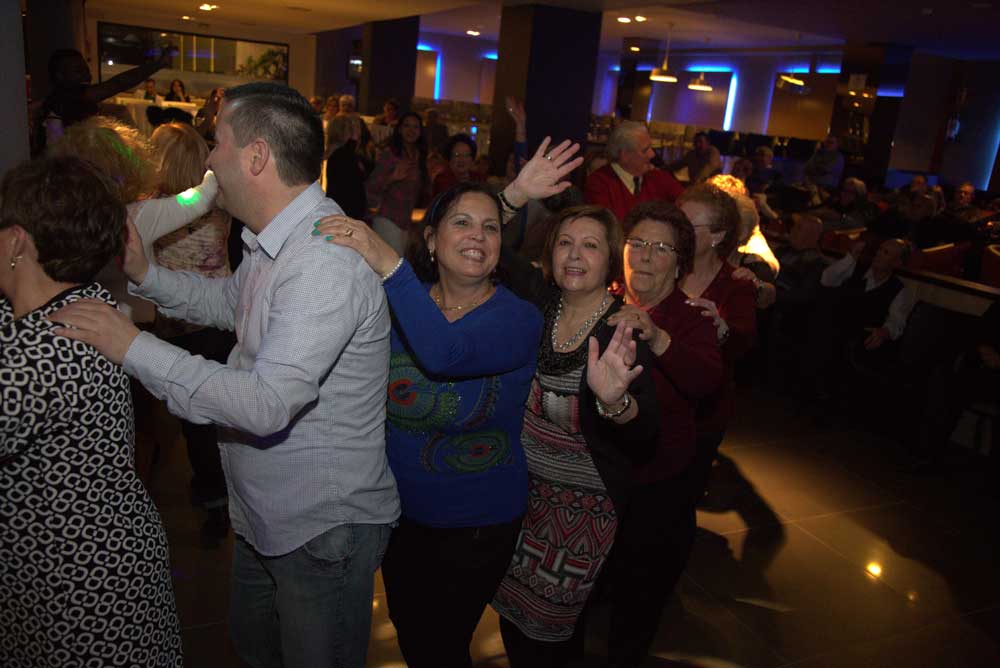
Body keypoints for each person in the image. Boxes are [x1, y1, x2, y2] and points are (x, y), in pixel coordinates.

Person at [51, 82, 400, 668]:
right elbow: (226, 305)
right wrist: (147, 274)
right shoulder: (273, 242)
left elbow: (266, 403)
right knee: (254, 650)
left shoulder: (322, 262)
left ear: (256, 157)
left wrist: (131, 345)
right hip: (269, 512)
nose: (209, 158)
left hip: (319, 527)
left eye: (218, 142)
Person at [314, 137, 580, 668]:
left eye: (490, 229)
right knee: (414, 638)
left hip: (476, 523)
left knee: (440, 646)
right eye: (461, 225)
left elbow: (445, 354)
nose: (478, 236)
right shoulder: (396, 305)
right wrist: (509, 195)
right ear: (431, 241)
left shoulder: (518, 318)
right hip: (397, 514)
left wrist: (389, 262)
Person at [0, 155, 182, 667]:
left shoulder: (47, 350)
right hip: (83, 565)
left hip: (78, 588)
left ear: (17, 242)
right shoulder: (80, 302)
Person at [492, 204, 660, 667]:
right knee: (512, 618)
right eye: (565, 243)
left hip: (581, 515)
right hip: (518, 500)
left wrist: (614, 403)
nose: (575, 255)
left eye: (590, 245)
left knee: (550, 637)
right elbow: (485, 244)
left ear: (610, 260)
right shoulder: (538, 305)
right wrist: (515, 194)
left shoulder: (622, 331)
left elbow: (647, 431)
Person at [600, 200, 724, 668]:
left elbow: (705, 381)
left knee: (640, 593)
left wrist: (656, 336)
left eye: (660, 247)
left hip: (657, 480)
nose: (646, 256)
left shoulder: (691, 318)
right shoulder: (602, 300)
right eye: (637, 244)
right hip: (599, 474)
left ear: (680, 262)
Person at [149, 121, 235, 540]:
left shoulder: (156, 209)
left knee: (194, 419)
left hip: (181, 323)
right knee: (219, 412)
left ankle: (214, 502)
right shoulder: (218, 203)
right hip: (223, 317)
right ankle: (225, 497)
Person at [677, 184, 757, 501]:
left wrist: (721, 328)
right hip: (654, 403)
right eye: (676, 222)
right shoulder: (662, 268)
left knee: (683, 497)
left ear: (717, 236)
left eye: (688, 226)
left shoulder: (735, 284)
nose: (678, 233)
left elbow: (744, 343)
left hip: (703, 412)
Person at [31, 47, 172, 154]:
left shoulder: (56, 101)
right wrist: (157, 65)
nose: (86, 76)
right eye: (78, 71)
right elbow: (118, 84)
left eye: (86, 70)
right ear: (60, 76)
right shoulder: (66, 100)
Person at [820, 238, 915, 364]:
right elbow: (826, 279)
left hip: (859, 341)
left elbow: (897, 321)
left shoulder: (897, 289)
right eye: (880, 249)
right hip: (831, 328)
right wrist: (851, 256)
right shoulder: (855, 267)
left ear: (897, 263)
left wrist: (884, 332)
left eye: (886, 253)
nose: (878, 254)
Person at [584, 121, 684, 225]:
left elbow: (687, 201)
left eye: (651, 147)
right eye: (645, 150)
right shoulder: (598, 184)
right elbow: (609, 229)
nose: (652, 154)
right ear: (625, 155)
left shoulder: (658, 177)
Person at [366, 111, 429, 253]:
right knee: (392, 269)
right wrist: (392, 178)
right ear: (399, 129)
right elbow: (371, 187)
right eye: (406, 126)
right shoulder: (391, 154)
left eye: (415, 127)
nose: (411, 130)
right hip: (387, 219)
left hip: (406, 223)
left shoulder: (419, 157)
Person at [325, 114, 368, 220]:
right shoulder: (342, 155)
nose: (360, 134)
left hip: (340, 214)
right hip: (344, 215)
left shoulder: (336, 154)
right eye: (355, 129)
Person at [432, 133, 487, 198]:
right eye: (457, 155)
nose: (461, 160)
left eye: (466, 155)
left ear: (472, 159)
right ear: (450, 158)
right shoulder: (442, 180)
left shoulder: (479, 179)